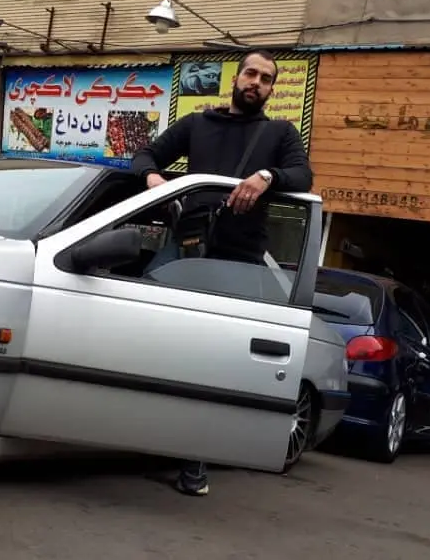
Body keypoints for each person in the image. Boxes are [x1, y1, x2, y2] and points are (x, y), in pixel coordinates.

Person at [130, 49, 315, 497]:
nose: (256, 82)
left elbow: (302, 176)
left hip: (240, 261)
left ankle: (195, 457)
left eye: (266, 79)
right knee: (139, 326)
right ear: (236, 78)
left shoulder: (279, 133)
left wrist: (267, 176)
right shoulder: (199, 124)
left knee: (217, 359)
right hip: (186, 250)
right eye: (251, 73)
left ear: (271, 90)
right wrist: (155, 179)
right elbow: (145, 154)